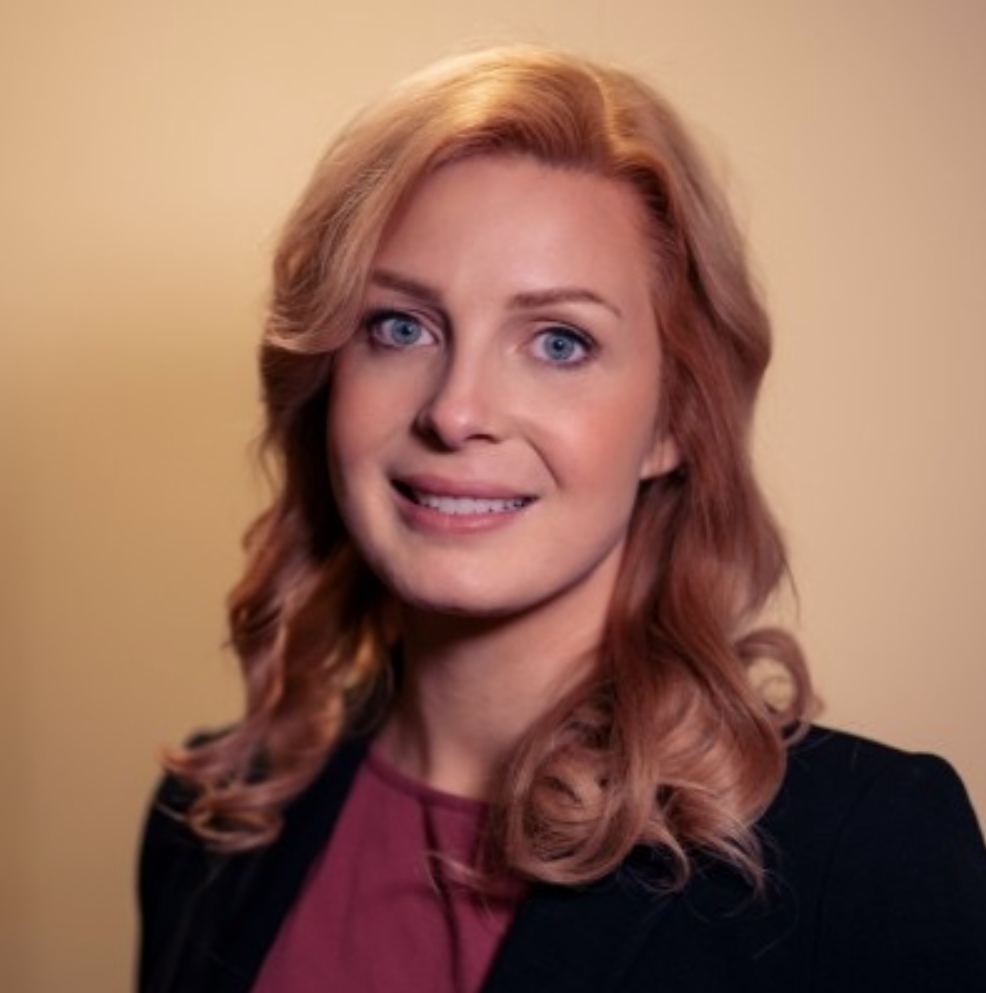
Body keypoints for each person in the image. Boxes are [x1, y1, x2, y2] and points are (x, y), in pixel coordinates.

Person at [137, 45, 986, 993]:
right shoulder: (210, 818)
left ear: (674, 420)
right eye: (400, 326)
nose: (457, 411)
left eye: (558, 341)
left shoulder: (863, 851)